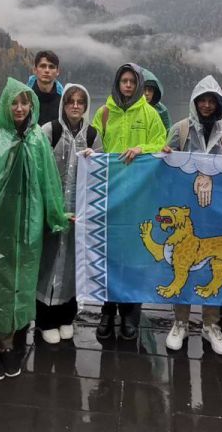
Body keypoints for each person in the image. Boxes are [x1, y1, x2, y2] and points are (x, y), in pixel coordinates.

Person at [0, 78, 68, 382]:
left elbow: (49, 182)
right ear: (5, 104)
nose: (19, 108)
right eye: (14, 102)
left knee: (18, 284)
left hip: (26, 230)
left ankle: (7, 344)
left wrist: (56, 215)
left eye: (25, 102)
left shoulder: (36, 139)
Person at [162, 76, 222, 356]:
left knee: (215, 265)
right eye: (203, 100)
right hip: (188, 212)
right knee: (183, 264)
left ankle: (212, 324)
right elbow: (166, 169)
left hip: (217, 211)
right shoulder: (180, 129)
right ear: (195, 102)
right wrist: (165, 155)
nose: (207, 105)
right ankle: (180, 322)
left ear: (220, 104)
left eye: (212, 101)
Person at [91, 62, 167, 340]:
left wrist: (141, 148)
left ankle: (130, 315)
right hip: (110, 196)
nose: (128, 86)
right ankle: (107, 312)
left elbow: (161, 145)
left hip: (139, 196)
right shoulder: (104, 112)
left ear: (138, 84)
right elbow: (93, 143)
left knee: (134, 256)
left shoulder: (150, 114)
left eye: (132, 82)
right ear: (117, 83)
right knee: (109, 254)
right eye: (123, 81)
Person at [37, 84, 103, 344]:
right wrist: (47, 210)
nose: (75, 106)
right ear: (64, 104)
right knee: (47, 264)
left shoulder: (93, 135)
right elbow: (38, 170)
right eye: (70, 101)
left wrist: (94, 159)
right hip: (52, 212)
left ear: (86, 107)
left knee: (74, 265)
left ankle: (67, 317)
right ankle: (44, 320)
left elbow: (101, 178)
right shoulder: (49, 131)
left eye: (80, 102)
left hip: (79, 215)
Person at [28, 50, 64, 126]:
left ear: (57, 71)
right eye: (43, 66)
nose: (47, 70)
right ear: (35, 70)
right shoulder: (25, 98)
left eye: (51, 67)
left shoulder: (63, 101)